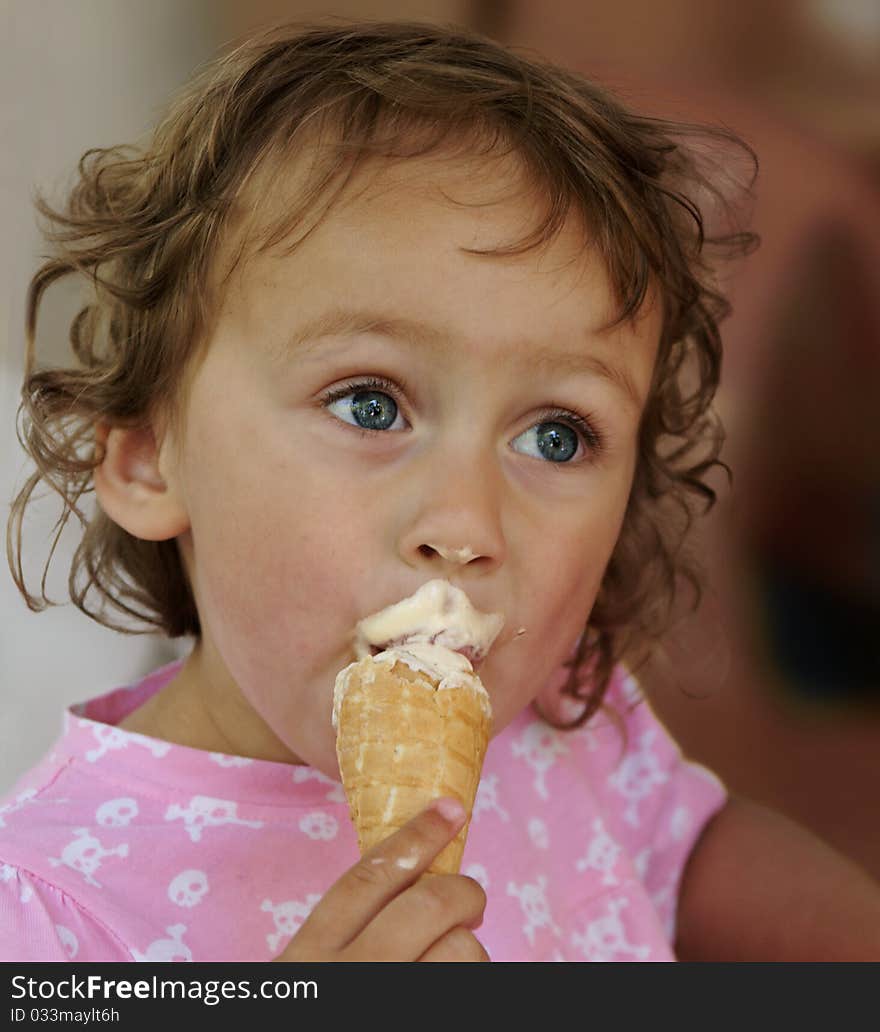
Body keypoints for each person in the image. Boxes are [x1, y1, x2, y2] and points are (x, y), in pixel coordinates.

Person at [2, 19, 879, 963]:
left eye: (557, 434)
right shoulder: (53, 915)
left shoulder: (558, 712)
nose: (465, 525)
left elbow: (688, 852)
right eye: (372, 406)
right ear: (148, 458)